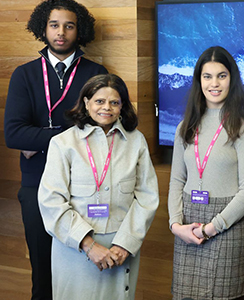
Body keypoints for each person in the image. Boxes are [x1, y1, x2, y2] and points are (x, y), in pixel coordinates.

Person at [3, 0, 107, 300]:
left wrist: (42, 138)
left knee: (83, 273)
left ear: (79, 31)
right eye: (54, 25)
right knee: (43, 273)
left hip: (84, 185)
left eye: (69, 26)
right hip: (36, 185)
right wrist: (72, 134)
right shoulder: (25, 74)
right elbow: (13, 135)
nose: (61, 32)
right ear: (43, 29)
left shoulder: (95, 73)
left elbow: (101, 131)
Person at [37, 74, 159, 299]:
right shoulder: (63, 143)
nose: (107, 108)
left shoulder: (136, 141)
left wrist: (126, 244)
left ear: (122, 106)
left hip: (120, 249)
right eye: (99, 101)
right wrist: (88, 245)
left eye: (114, 102)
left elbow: (147, 198)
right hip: (74, 249)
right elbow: (51, 202)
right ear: (86, 102)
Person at [168, 46, 244, 300]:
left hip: (225, 227)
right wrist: (176, 225)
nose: (214, 83)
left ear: (232, 79)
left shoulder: (243, 127)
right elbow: (176, 180)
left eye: (222, 75)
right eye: (207, 76)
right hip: (188, 227)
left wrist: (212, 228)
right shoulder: (184, 127)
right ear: (199, 81)